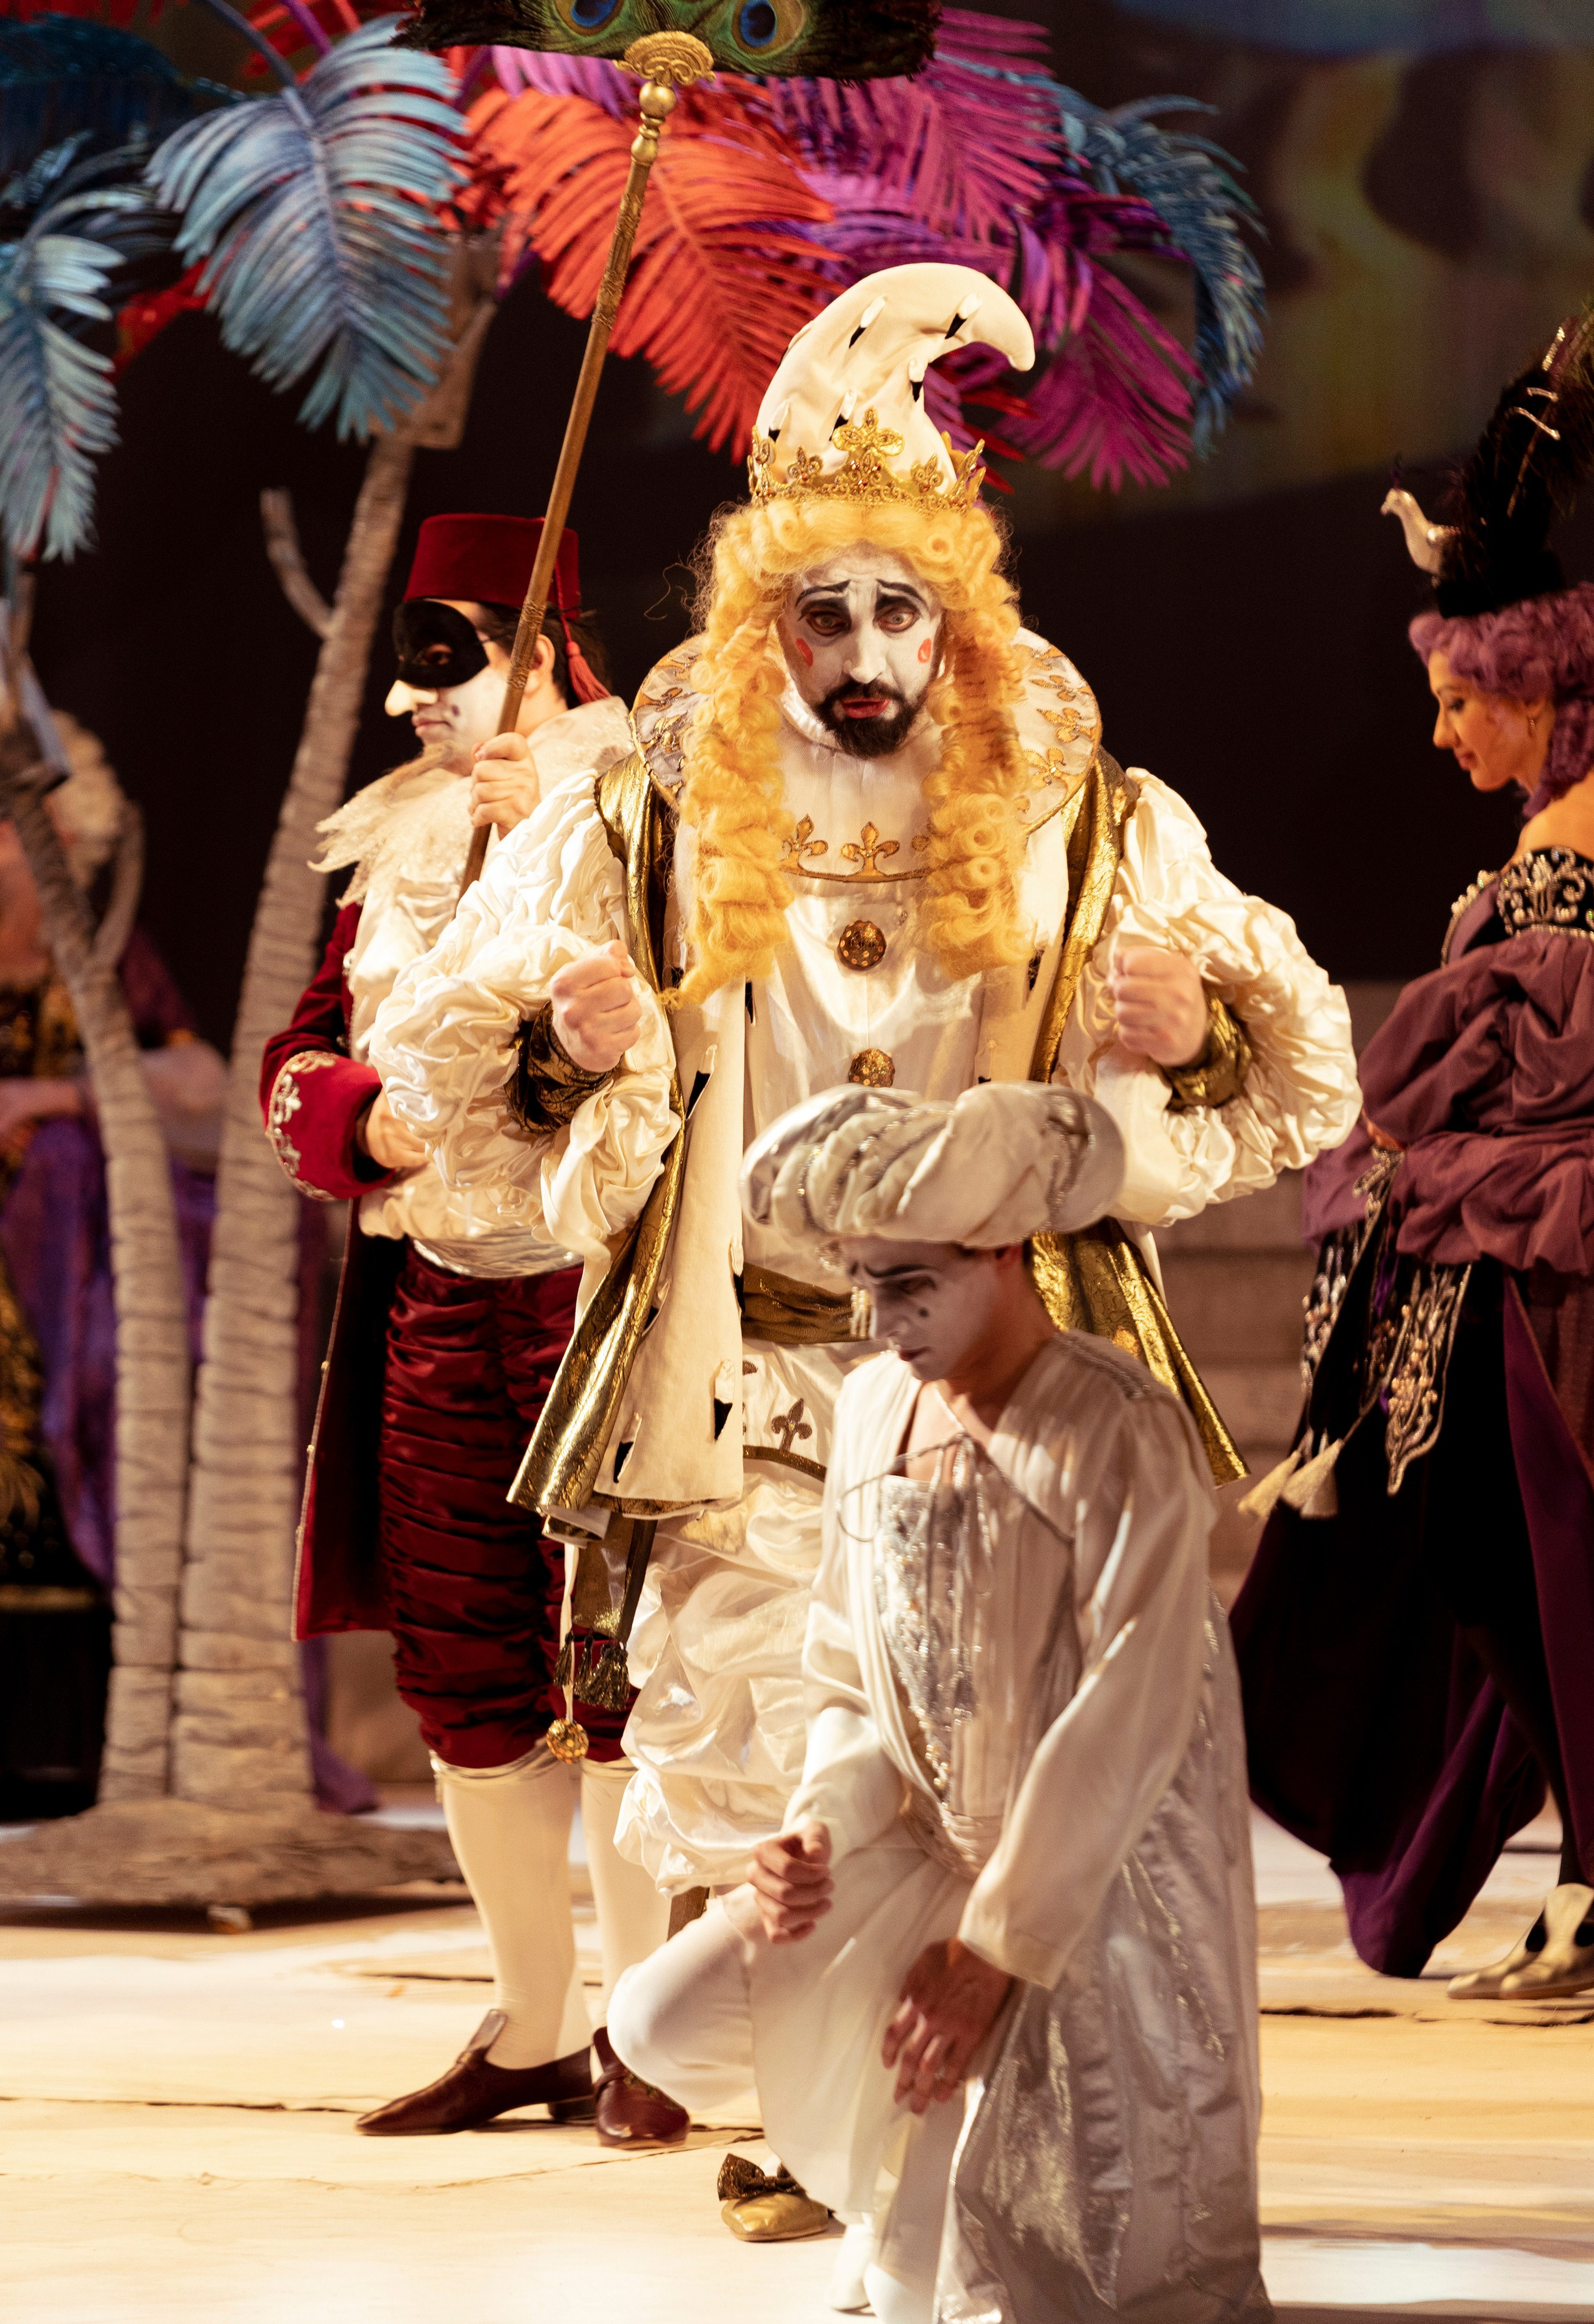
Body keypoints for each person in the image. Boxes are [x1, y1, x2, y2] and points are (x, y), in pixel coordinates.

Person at [368, 266, 1360, 2011]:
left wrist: (1195, 1038)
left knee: (977, 1755)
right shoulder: (646, 816)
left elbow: (1276, 1071)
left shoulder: (1081, 812)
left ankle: (920, 2096)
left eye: (903, 611)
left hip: (988, 1395)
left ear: (957, 623)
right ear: (766, 628)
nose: (867, 653)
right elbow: (446, 1070)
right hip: (746, 1382)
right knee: (765, 1757)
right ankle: (795, 2113)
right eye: (823, 615)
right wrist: (557, 1053)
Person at [609, 1081, 1268, 2324]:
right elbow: (849, 1670)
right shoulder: (870, 1408)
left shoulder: (1113, 1423)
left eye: (909, 1281)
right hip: (916, 1847)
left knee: (953, 2305)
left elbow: (1131, 1709)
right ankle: (891, 2152)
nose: (882, 1319)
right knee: (655, 2020)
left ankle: (924, 2166)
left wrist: (991, 1951)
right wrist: (812, 1832)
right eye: (861, 1283)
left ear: (1002, 1251)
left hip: (1080, 1895)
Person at [1233, 230, 1594, 1999]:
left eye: (1460, 702)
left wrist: (1416, 1148)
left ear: (1548, 694)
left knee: (1561, 1587)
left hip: (1563, 1298)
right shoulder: (1558, 844)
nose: (1441, 736)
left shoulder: (1585, 852)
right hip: (1518, 1283)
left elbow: (1585, 1089)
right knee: (1510, 1590)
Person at [260, 513, 684, 2142]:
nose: (410, 701)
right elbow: (307, 1052)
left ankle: (653, 2029)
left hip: (602, 1298)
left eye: (449, 657)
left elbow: (688, 1009)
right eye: (409, 663)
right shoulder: (398, 844)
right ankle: (532, 2022)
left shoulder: (644, 807)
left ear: (538, 654)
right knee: (461, 1670)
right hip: (439, 1295)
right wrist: (357, 1128)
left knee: (628, 1675)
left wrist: (560, 850)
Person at [1, 715, 231, 1816]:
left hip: (71, 1257)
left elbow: (202, 1079)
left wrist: (57, 1100)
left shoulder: (101, 953)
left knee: (99, 1398)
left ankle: (75, 1752)